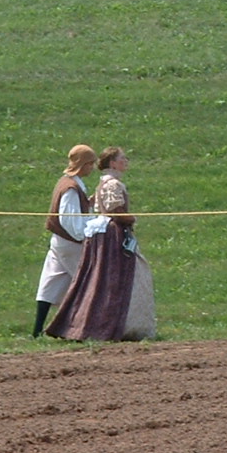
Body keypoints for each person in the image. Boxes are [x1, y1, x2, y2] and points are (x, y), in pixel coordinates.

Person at [46, 146, 157, 341]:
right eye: (123, 158)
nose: (127, 161)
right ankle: (117, 326)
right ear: (113, 163)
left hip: (106, 234)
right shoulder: (112, 184)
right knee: (114, 281)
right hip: (114, 235)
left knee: (99, 281)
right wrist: (132, 219)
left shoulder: (102, 183)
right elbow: (115, 211)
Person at [32, 144, 96, 337]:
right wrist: (85, 234)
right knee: (88, 281)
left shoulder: (68, 183)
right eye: (90, 164)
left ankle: (37, 330)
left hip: (59, 242)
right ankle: (84, 328)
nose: (92, 168)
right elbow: (69, 221)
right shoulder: (71, 189)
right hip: (70, 244)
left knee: (50, 284)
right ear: (82, 164)